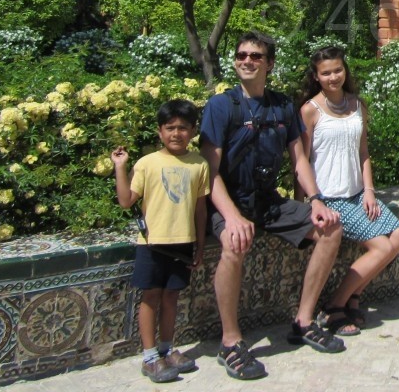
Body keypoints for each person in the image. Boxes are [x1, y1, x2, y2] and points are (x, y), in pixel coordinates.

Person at [199, 31, 345, 381]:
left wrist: (316, 201)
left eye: (255, 56)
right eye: (241, 55)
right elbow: (209, 172)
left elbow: (299, 161)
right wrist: (232, 217)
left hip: (268, 202)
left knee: (331, 228)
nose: (246, 60)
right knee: (235, 243)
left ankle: (304, 320)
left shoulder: (282, 107)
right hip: (228, 202)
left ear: (269, 64)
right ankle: (231, 341)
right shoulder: (221, 106)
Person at [299, 45, 399, 336]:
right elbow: (301, 161)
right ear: (317, 76)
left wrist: (369, 191)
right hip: (330, 199)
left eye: (337, 70)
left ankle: (353, 294)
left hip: (358, 194)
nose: (333, 76)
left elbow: (363, 152)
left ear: (345, 70)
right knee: (382, 246)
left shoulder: (356, 105)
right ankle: (335, 305)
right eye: (326, 73)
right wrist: (309, 203)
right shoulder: (310, 110)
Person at [111, 98, 210, 384]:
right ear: (160, 131)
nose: (176, 133)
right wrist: (120, 167)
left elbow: (200, 209)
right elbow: (126, 200)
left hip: (183, 242)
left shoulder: (199, 164)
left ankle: (167, 349)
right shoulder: (147, 163)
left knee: (172, 297)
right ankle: (150, 356)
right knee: (151, 297)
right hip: (152, 244)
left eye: (183, 128)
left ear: (192, 131)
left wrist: (200, 244)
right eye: (170, 128)